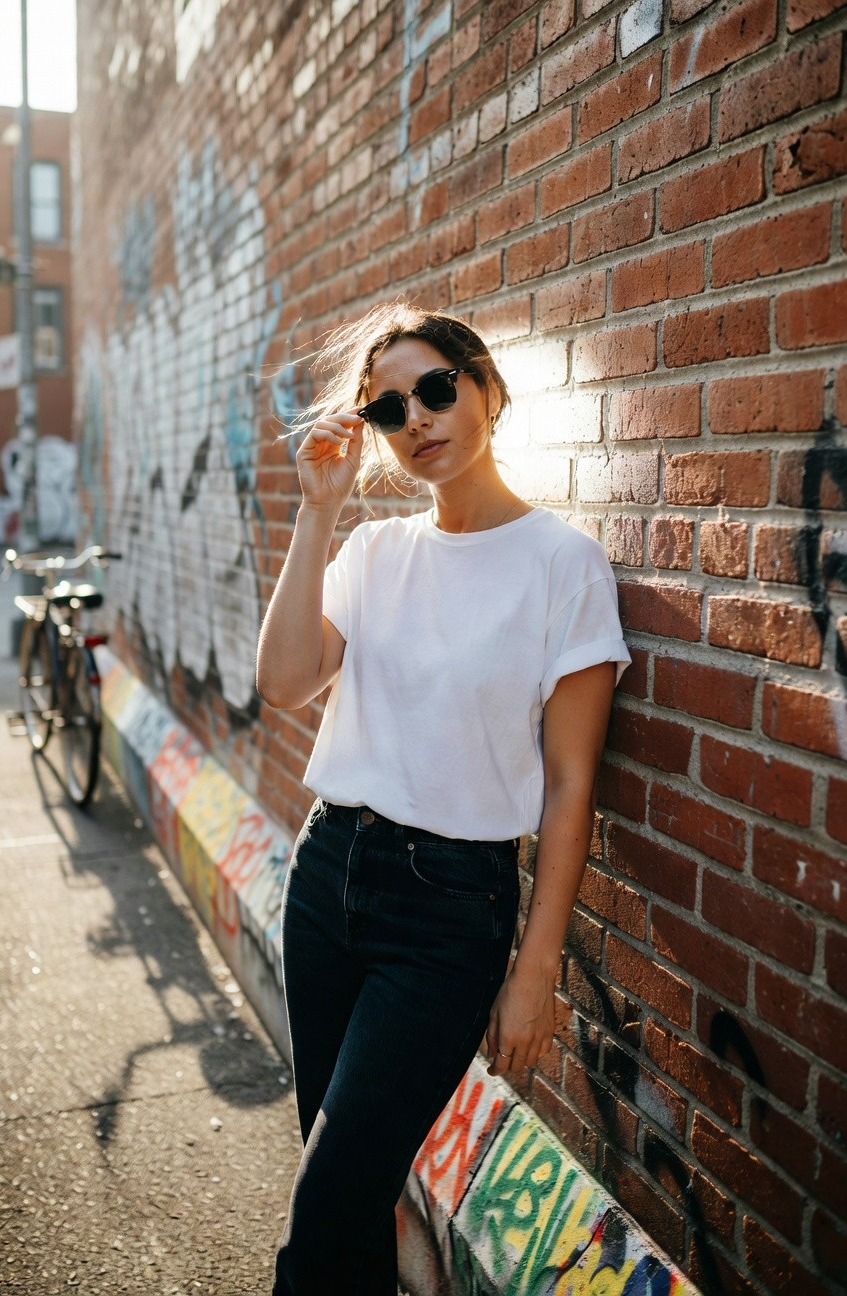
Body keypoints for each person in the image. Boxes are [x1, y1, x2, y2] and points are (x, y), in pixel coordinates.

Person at [256, 303, 630, 1295]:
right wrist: (319, 510)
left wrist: (535, 966)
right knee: (348, 1190)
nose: (415, 417)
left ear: (489, 392)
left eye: (435, 389)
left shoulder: (563, 565)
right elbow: (285, 682)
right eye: (388, 406)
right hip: (328, 875)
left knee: (326, 1204)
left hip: (448, 912)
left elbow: (570, 783)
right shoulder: (376, 554)